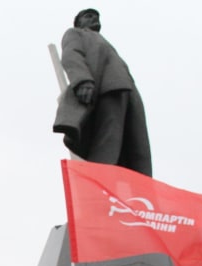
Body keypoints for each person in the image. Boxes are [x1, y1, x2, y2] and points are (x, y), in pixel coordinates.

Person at [53, 8, 153, 177]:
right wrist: (82, 80)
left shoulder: (103, 41)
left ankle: (142, 187)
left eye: (96, 16)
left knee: (137, 147)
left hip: (129, 92)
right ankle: (100, 179)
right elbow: (71, 55)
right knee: (108, 140)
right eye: (88, 16)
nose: (94, 19)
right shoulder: (75, 34)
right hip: (108, 89)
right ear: (78, 22)